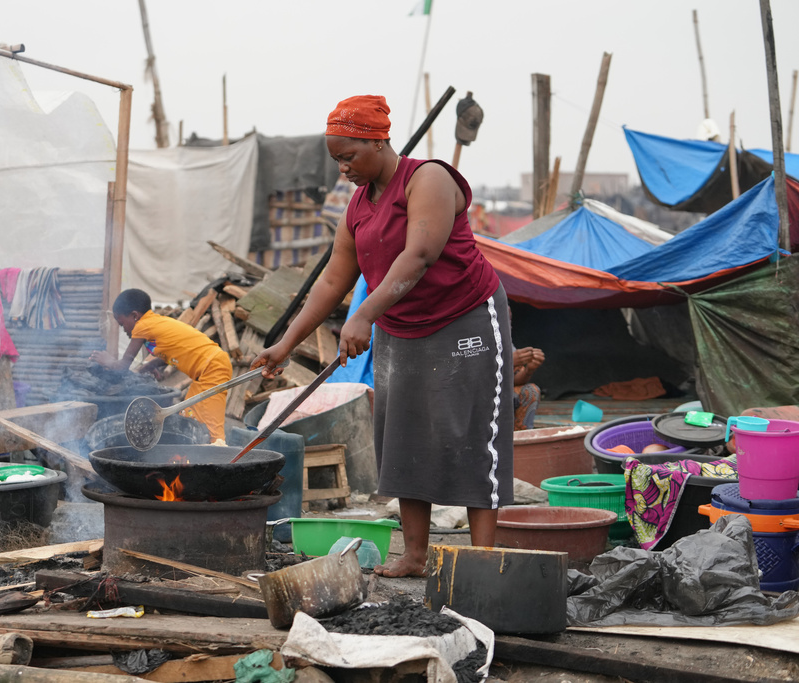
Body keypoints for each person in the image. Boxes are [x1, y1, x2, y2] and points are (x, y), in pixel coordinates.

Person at [252, 95, 514, 578]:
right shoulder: (357, 207)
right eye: (337, 161)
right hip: (402, 325)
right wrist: (286, 344)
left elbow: (420, 255)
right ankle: (415, 556)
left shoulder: (427, 179)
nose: (344, 169)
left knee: (470, 432)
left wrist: (364, 315)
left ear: (377, 141)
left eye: (349, 156)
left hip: (464, 317)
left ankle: (481, 562)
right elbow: (333, 280)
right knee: (404, 435)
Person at [90, 288, 233, 442]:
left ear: (134, 315)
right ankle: (195, 455)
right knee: (190, 417)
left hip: (212, 368)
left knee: (211, 428)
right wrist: (152, 365)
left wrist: (108, 361)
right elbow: (175, 349)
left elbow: (123, 365)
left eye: (122, 323)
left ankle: (217, 456)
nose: (123, 329)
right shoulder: (155, 322)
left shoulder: (142, 326)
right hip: (209, 368)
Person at [512, 346, 545, 430]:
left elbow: (514, 380)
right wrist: (507, 361)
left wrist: (528, 370)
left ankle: (522, 437)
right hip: (480, 393)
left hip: (503, 391)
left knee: (530, 391)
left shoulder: (500, 335)